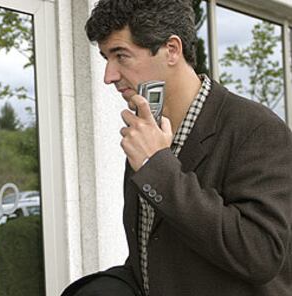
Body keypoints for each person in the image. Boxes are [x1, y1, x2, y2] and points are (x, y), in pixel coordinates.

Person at [62, 0, 292, 295]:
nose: (109, 76)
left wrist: (156, 166)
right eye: (106, 58)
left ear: (172, 49)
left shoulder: (257, 129)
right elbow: (154, 254)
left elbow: (260, 254)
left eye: (121, 56)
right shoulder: (147, 134)